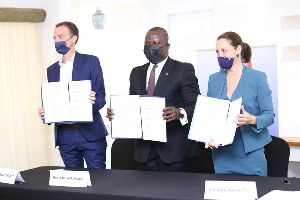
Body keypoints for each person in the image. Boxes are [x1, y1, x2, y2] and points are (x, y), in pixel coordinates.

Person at [107, 27, 200, 172]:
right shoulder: (136, 72)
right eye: (147, 44)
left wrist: (180, 112)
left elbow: (196, 105)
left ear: (167, 47)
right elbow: (133, 106)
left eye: (155, 44)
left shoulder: (183, 69)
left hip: (172, 150)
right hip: (144, 151)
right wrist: (117, 114)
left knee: (173, 194)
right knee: (146, 193)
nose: (151, 48)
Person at [38, 21, 108, 169]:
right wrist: (47, 112)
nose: (57, 41)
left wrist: (92, 101)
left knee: (99, 181)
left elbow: (101, 98)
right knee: (73, 182)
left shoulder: (91, 61)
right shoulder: (52, 70)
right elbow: (54, 100)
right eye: (54, 37)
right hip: (65, 136)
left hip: (90, 134)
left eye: (61, 36)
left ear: (73, 38)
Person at [205, 31, 274, 176]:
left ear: (238, 49)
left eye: (224, 51)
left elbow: (269, 116)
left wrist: (252, 119)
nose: (220, 56)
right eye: (217, 52)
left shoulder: (258, 77)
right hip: (222, 154)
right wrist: (209, 135)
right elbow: (210, 116)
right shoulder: (214, 79)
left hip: (251, 153)